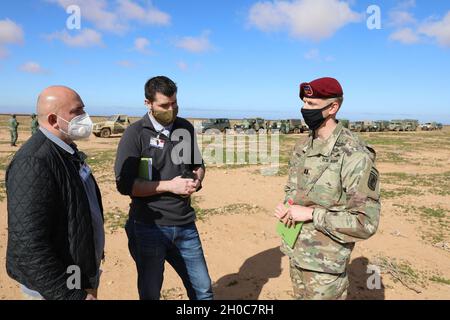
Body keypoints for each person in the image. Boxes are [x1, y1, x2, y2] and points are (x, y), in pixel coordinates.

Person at [274, 77, 381, 300]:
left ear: (333, 107)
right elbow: (293, 190)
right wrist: (288, 206)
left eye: (312, 105)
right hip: (297, 253)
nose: (304, 109)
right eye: (304, 102)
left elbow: (365, 223)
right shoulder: (303, 146)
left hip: (326, 267)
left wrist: (312, 214)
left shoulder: (353, 155)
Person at [114, 76, 213, 300]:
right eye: (164, 105)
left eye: (175, 103)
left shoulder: (185, 128)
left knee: (203, 290)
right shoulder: (135, 134)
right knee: (150, 294)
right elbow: (124, 185)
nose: (171, 109)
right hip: (149, 227)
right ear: (148, 103)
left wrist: (196, 179)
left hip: (185, 224)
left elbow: (198, 165)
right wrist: (171, 186)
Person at [6, 86, 104, 300]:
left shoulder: (66, 151)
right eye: (77, 112)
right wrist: (70, 295)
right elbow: (28, 246)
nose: (85, 118)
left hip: (79, 274)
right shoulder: (34, 162)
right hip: (57, 288)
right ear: (53, 120)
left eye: (83, 110)